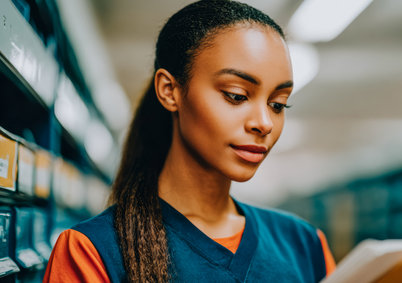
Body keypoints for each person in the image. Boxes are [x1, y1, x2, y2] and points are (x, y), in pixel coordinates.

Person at [43, 0, 336, 282]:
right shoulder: (92, 251)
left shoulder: (306, 246)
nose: (264, 123)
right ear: (170, 91)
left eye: (278, 104)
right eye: (236, 95)